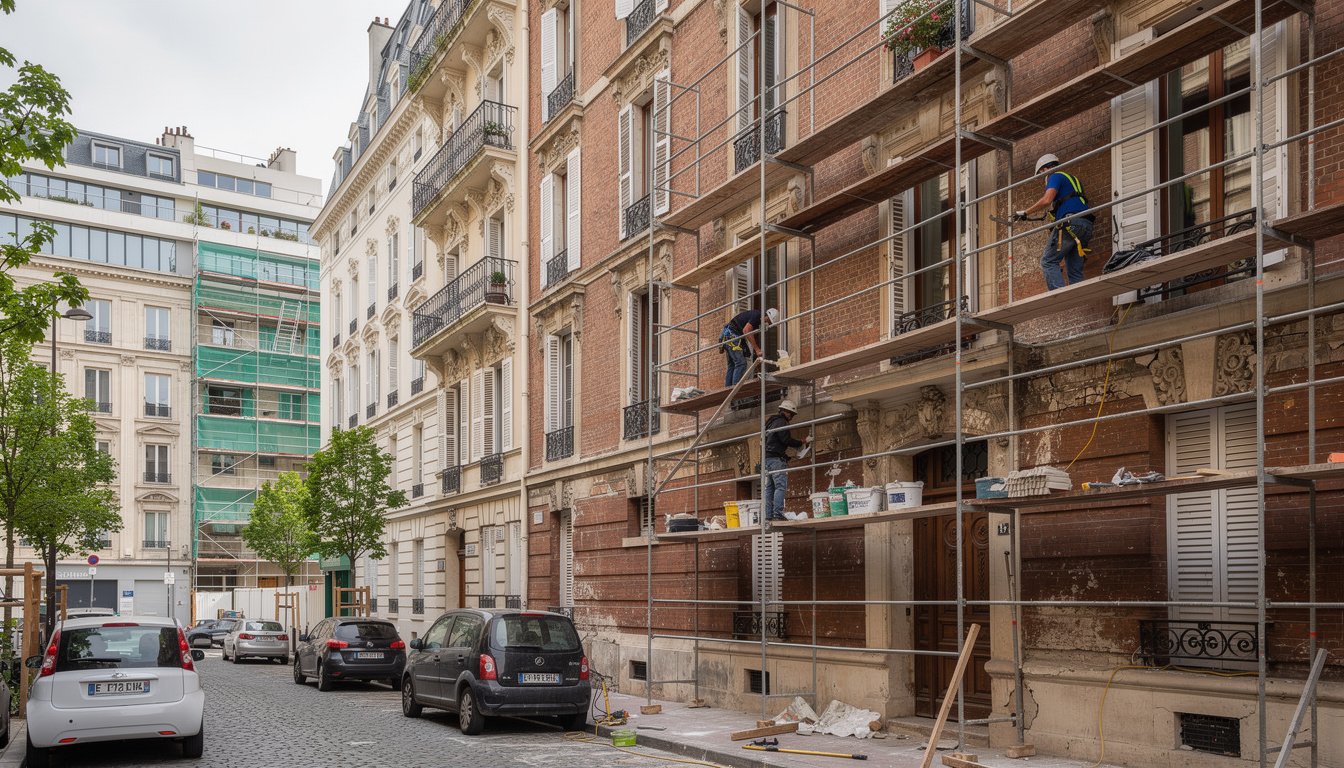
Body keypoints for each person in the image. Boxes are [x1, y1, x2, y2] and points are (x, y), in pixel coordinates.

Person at [1015, 154, 1095, 291]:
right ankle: (1079, 296)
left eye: (1041, 175)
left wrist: (1025, 212)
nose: (1044, 180)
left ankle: (1058, 295)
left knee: (1048, 261)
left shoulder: (1054, 176)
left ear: (1045, 170)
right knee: (1074, 269)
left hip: (1071, 223)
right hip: (1085, 224)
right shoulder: (1072, 180)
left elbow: (1047, 200)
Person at [764, 399, 811, 521]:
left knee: (769, 487)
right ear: (787, 412)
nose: (791, 418)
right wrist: (803, 441)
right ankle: (778, 514)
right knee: (780, 487)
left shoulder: (770, 422)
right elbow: (786, 440)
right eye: (792, 415)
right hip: (776, 460)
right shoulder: (781, 422)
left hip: (767, 459)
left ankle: (768, 515)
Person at [722, 306, 779, 386]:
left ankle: (728, 389)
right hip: (733, 337)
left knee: (732, 365)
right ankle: (734, 389)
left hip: (728, 336)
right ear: (767, 318)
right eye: (769, 322)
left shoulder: (756, 317)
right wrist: (757, 349)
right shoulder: (756, 315)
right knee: (741, 363)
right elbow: (746, 330)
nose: (767, 324)